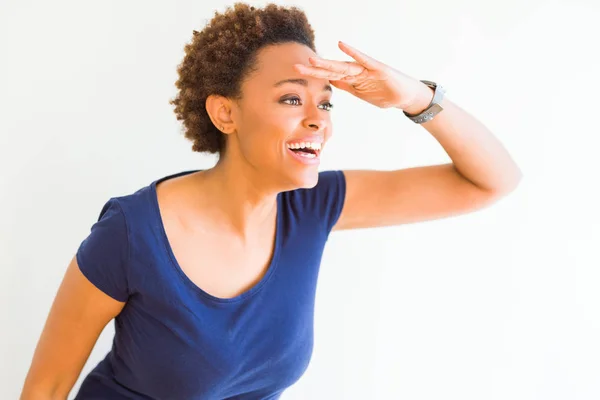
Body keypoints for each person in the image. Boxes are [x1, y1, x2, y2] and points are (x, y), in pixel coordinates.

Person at [20, 2, 522, 399]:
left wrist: (415, 97)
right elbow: (44, 389)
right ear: (225, 113)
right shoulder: (131, 234)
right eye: (290, 98)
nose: (318, 118)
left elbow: (492, 181)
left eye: (325, 101)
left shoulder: (314, 208)